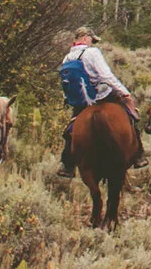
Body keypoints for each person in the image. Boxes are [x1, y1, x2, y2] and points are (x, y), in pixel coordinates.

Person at [56, 28, 138, 177]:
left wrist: (70, 99)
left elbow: (65, 82)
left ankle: (67, 164)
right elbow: (106, 75)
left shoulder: (67, 57)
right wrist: (124, 92)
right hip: (101, 95)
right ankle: (138, 155)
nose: (92, 43)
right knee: (129, 113)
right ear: (86, 38)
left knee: (71, 130)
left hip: (81, 102)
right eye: (92, 40)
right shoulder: (92, 53)